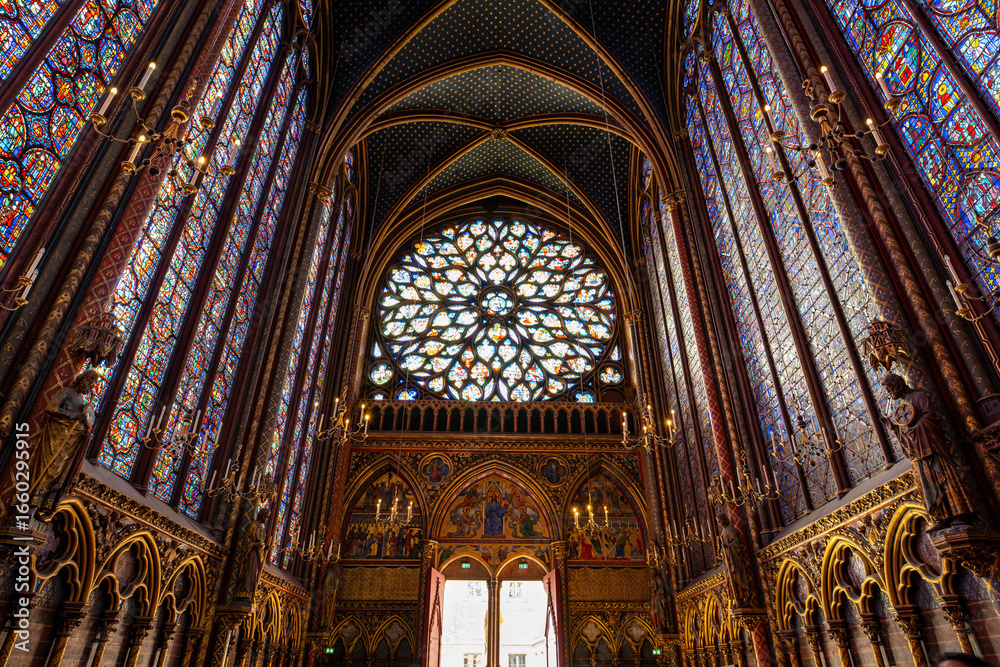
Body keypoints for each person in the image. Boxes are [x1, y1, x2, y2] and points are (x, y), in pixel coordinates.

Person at [881, 373, 974, 531]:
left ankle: (959, 513)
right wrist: (895, 428)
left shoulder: (918, 397)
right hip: (918, 453)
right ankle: (942, 516)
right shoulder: (902, 406)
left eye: (889, 388)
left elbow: (929, 417)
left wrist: (913, 430)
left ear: (896, 384)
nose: (888, 392)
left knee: (942, 477)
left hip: (931, 449)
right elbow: (906, 430)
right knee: (928, 485)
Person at [32, 369, 101, 513]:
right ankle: (31, 503)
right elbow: (50, 408)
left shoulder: (81, 401)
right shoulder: (66, 392)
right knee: (48, 469)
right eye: (90, 380)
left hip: (70, 443)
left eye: (94, 383)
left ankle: (43, 507)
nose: (91, 385)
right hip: (56, 438)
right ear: (82, 378)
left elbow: (80, 421)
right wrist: (73, 415)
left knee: (61, 474)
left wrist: (85, 427)